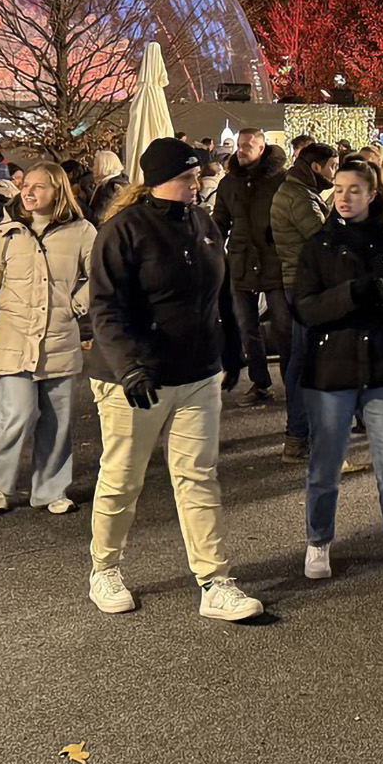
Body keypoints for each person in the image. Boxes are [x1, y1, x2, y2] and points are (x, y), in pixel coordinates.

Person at [85, 137, 260, 622]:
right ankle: (104, 568)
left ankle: (214, 580)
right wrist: (129, 365)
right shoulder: (122, 231)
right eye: (186, 177)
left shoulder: (203, 223)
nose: (196, 184)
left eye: (197, 175)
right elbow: (105, 307)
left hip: (197, 374)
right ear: (159, 180)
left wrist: (231, 349)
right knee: (122, 478)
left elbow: (219, 291)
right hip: (135, 379)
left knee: (199, 477)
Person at [291, 157, 383, 601]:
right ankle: (318, 540)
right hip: (330, 368)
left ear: (372, 194)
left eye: (354, 189)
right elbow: (304, 308)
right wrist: (349, 294)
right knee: (324, 468)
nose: (344, 197)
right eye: (338, 189)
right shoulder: (317, 245)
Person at [0, 162, 94, 515]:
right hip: (14, 336)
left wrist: (75, 306)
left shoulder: (82, 231)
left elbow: (100, 274)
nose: (28, 192)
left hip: (59, 336)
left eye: (38, 186)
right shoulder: (5, 232)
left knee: (58, 420)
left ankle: (51, 490)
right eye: (26, 185)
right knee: (15, 414)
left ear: (58, 191)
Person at [270, 141, 339, 462]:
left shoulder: (297, 191)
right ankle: (300, 436)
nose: (334, 173)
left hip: (298, 282)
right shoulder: (299, 197)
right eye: (332, 167)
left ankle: (299, 436)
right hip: (306, 285)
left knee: (301, 359)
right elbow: (321, 240)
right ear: (316, 167)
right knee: (306, 361)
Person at [213, 128, 289, 406]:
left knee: (283, 326)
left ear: (261, 148)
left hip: (273, 260)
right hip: (241, 261)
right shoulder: (229, 183)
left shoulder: (281, 180)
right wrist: (212, 248)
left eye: (248, 145)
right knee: (246, 326)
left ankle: (291, 380)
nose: (241, 150)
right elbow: (220, 220)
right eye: (240, 145)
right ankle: (260, 383)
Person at [88, 149, 128, 225]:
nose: (93, 168)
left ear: (104, 166)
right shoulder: (122, 181)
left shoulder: (110, 189)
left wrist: (77, 201)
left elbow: (98, 218)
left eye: (95, 165)